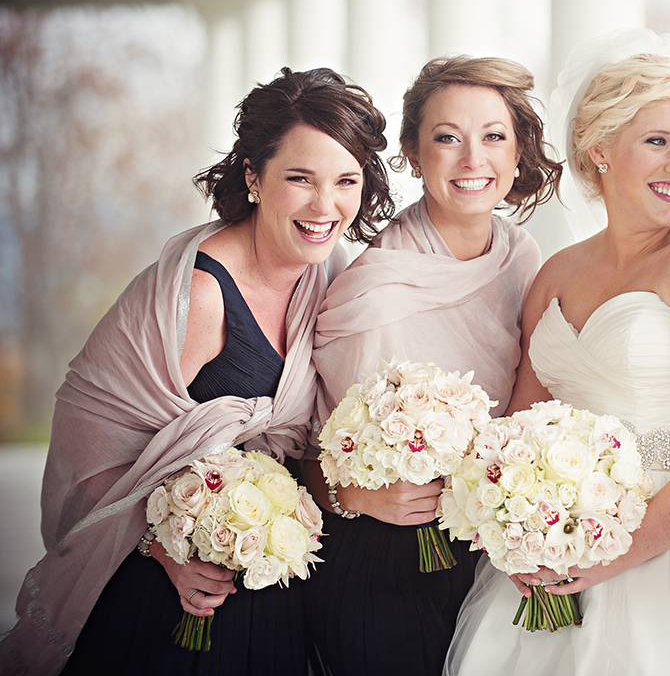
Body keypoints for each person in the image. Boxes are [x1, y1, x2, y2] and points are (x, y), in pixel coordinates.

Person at [0, 67, 395, 676]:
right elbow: (95, 448)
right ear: (254, 177)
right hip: (169, 594)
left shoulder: (328, 272)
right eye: (300, 179)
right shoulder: (200, 296)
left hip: (273, 583)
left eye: (346, 181)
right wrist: (166, 549)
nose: (326, 206)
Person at [444, 32, 670, 676]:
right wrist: (519, 531)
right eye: (657, 142)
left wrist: (611, 554)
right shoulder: (554, 275)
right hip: (550, 561)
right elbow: (518, 434)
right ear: (599, 150)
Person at [303, 55, 562, 676]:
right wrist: (356, 495)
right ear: (414, 154)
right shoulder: (375, 288)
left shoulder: (523, 257)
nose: (473, 160)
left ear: (519, 151)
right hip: (389, 561)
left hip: (494, 556)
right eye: (447, 139)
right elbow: (305, 455)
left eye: (494, 137)